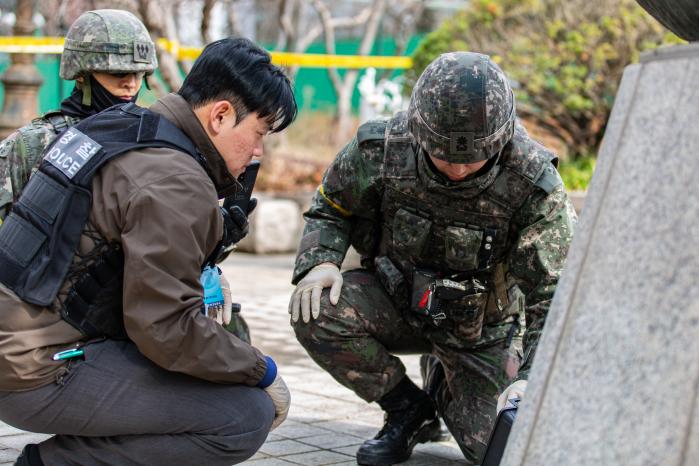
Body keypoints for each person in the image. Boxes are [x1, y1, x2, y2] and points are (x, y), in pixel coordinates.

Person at [0, 37, 297, 466]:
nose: (257, 152)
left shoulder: (118, 125)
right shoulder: (175, 179)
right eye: (259, 133)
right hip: (33, 369)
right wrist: (263, 370)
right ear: (221, 115)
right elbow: (167, 330)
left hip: (23, 342)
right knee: (245, 415)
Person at [289, 51, 577, 465]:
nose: (458, 170)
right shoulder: (381, 149)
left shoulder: (532, 183)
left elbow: (555, 292)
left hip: (481, 331)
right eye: (445, 157)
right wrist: (320, 261)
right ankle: (408, 409)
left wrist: (533, 377)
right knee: (315, 310)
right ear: (420, 134)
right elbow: (333, 207)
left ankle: (443, 381)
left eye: (472, 159)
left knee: (500, 450)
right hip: (396, 302)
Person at [0, 8, 252, 342]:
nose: (130, 83)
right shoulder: (31, 146)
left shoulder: (152, 141)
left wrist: (216, 238)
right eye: (117, 72)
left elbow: (164, 248)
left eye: (137, 73)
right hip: (48, 311)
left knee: (231, 331)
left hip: (129, 300)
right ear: (82, 74)